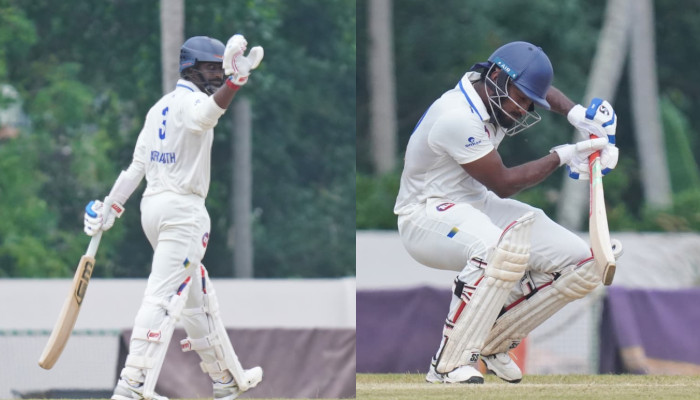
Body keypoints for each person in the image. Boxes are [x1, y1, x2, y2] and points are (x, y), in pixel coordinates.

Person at [393, 41, 619, 384]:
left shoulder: (494, 88)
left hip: (475, 204)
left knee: (581, 263)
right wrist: (566, 155)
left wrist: (576, 115)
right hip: (424, 216)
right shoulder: (457, 117)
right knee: (497, 249)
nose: (523, 109)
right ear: (497, 77)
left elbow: (540, 87)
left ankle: (493, 342)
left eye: (530, 102)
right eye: (522, 98)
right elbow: (504, 183)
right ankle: (448, 363)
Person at [83, 34, 264, 400]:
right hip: (183, 214)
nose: (217, 74)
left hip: (153, 210)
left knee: (198, 299)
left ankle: (226, 379)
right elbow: (206, 115)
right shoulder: (193, 102)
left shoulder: (159, 108)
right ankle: (132, 385)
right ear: (190, 69)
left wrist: (110, 207)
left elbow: (136, 167)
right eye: (210, 68)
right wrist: (235, 83)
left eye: (220, 68)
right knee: (163, 297)